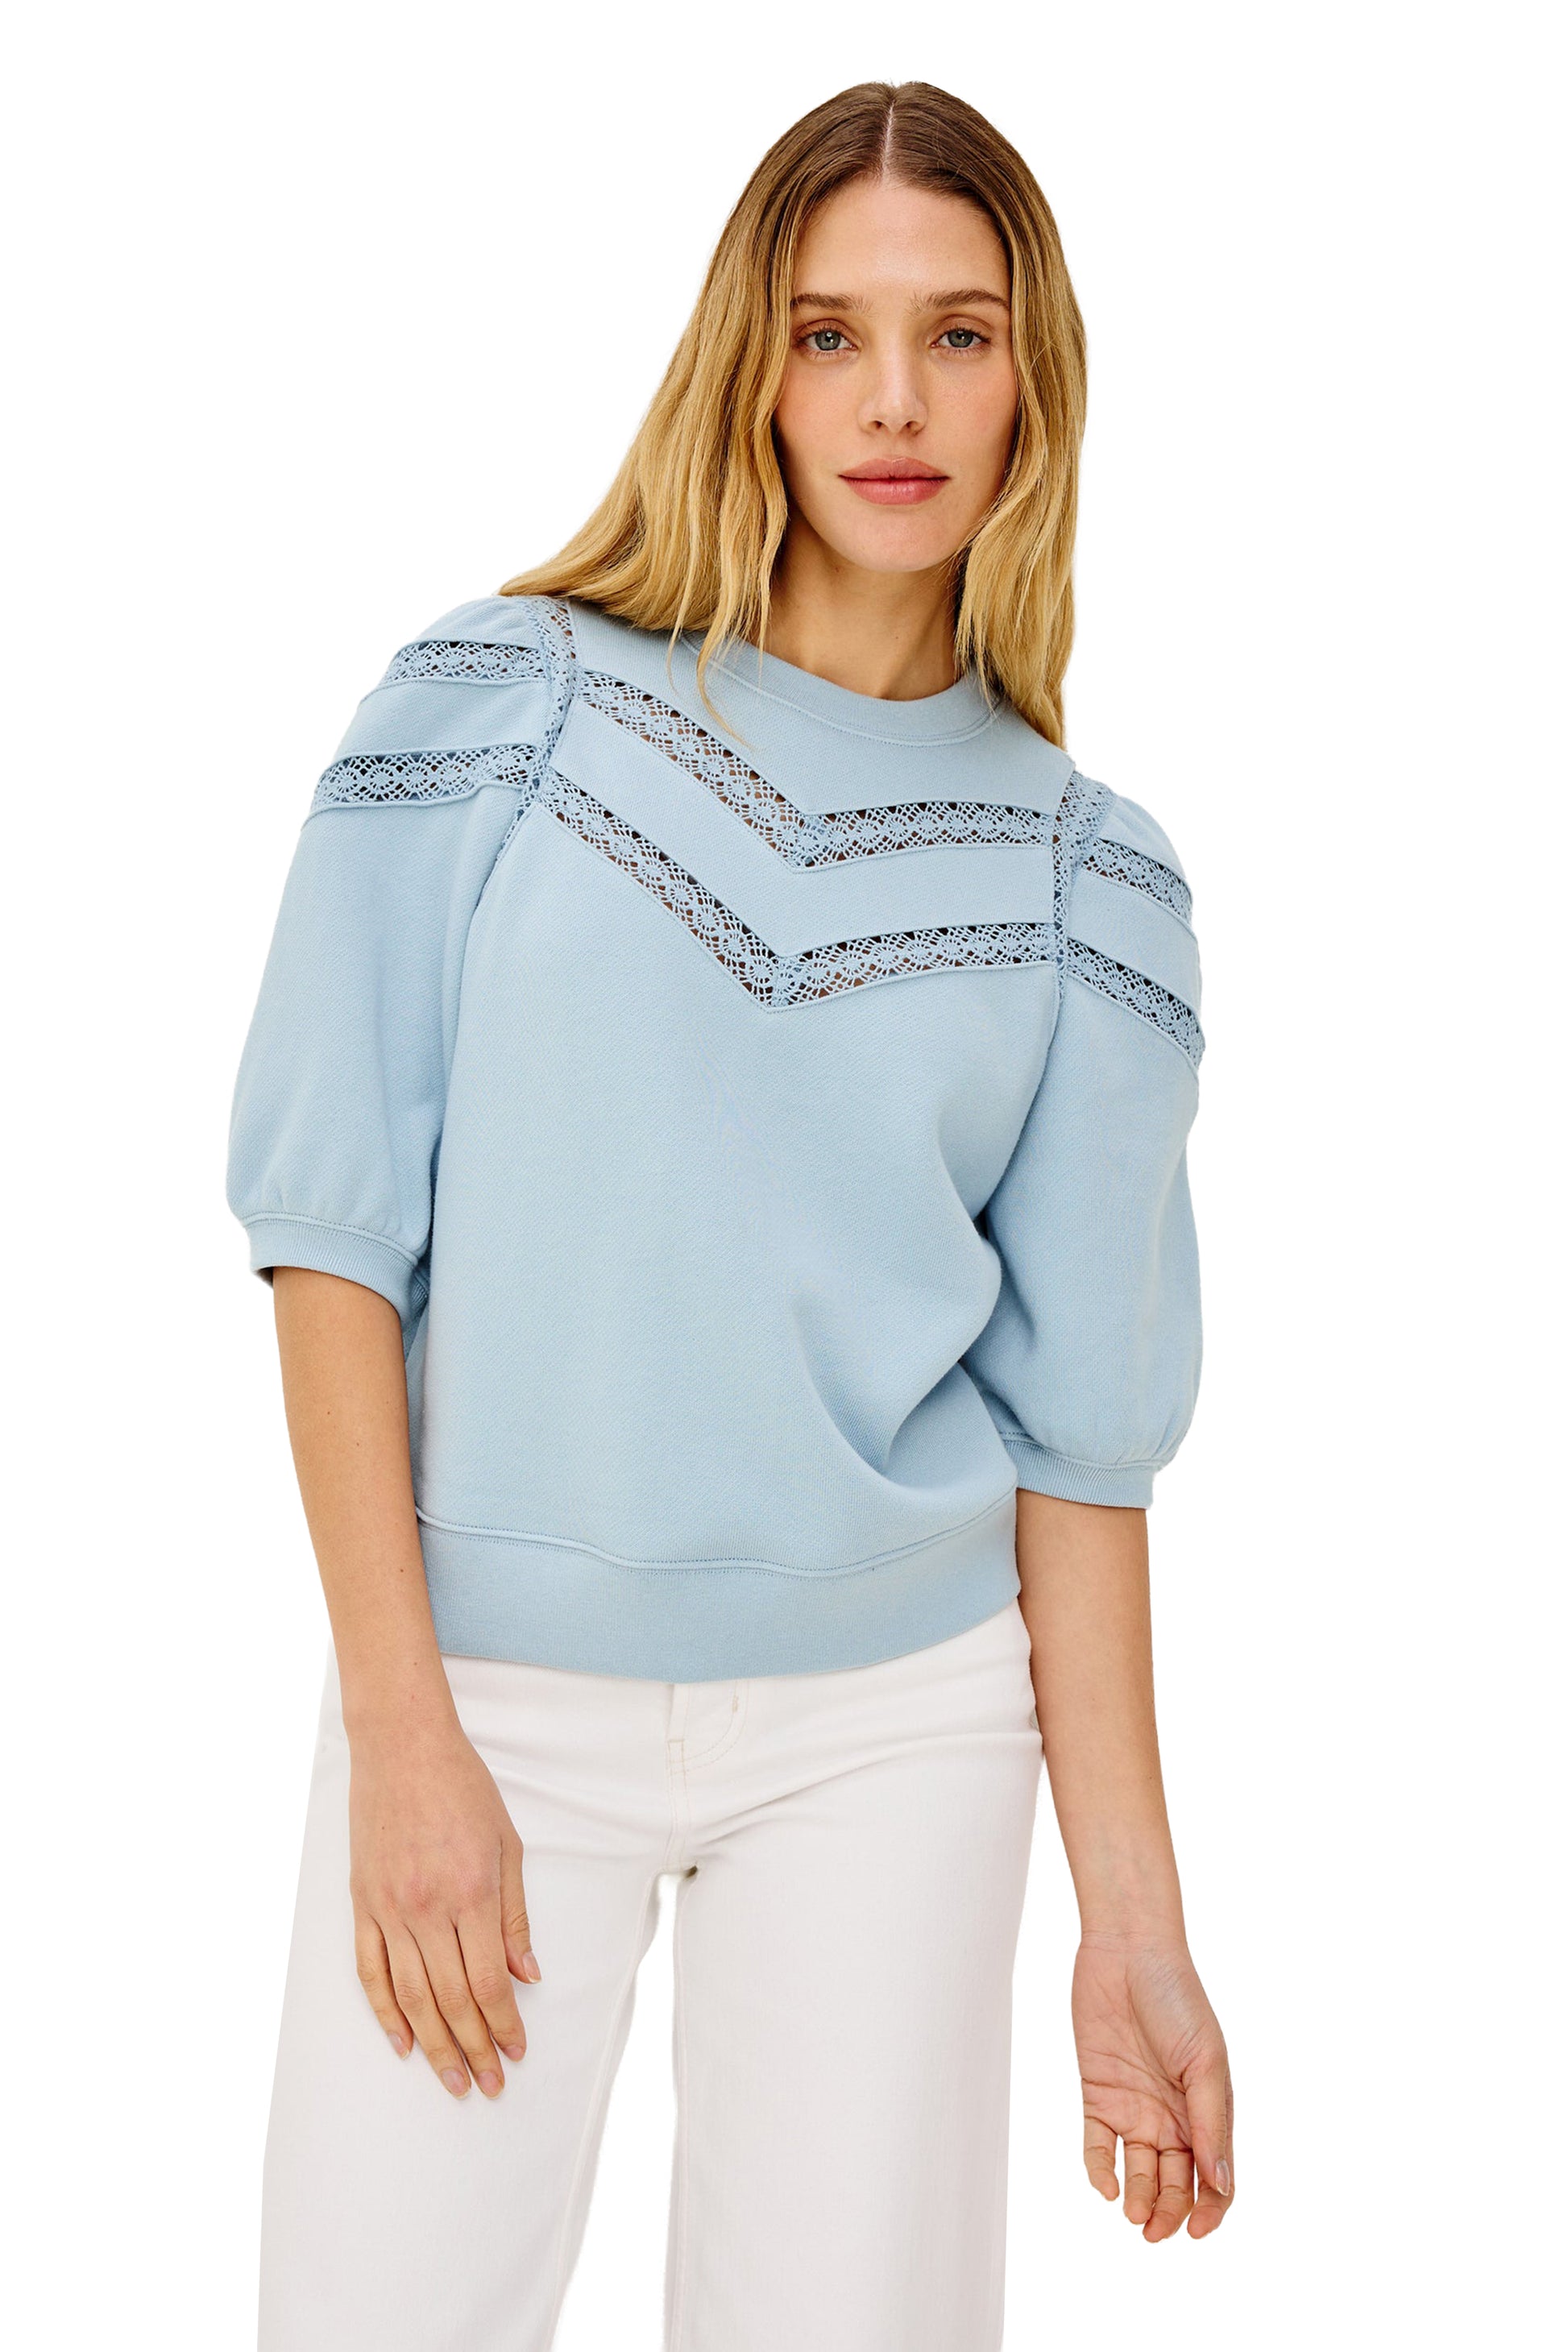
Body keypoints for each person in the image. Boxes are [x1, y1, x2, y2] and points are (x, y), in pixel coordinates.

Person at [227, 76, 1234, 2352]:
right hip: (483, 1698)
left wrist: (1134, 1927)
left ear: (1034, 382)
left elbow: (1081, 1450)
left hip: (896, 1731)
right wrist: (401, 1731)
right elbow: (331, 1235)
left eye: (959, 335)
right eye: (829, 334)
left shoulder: (1087, 881)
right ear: (747, 371)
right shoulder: (496, 710)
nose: (894, 403)